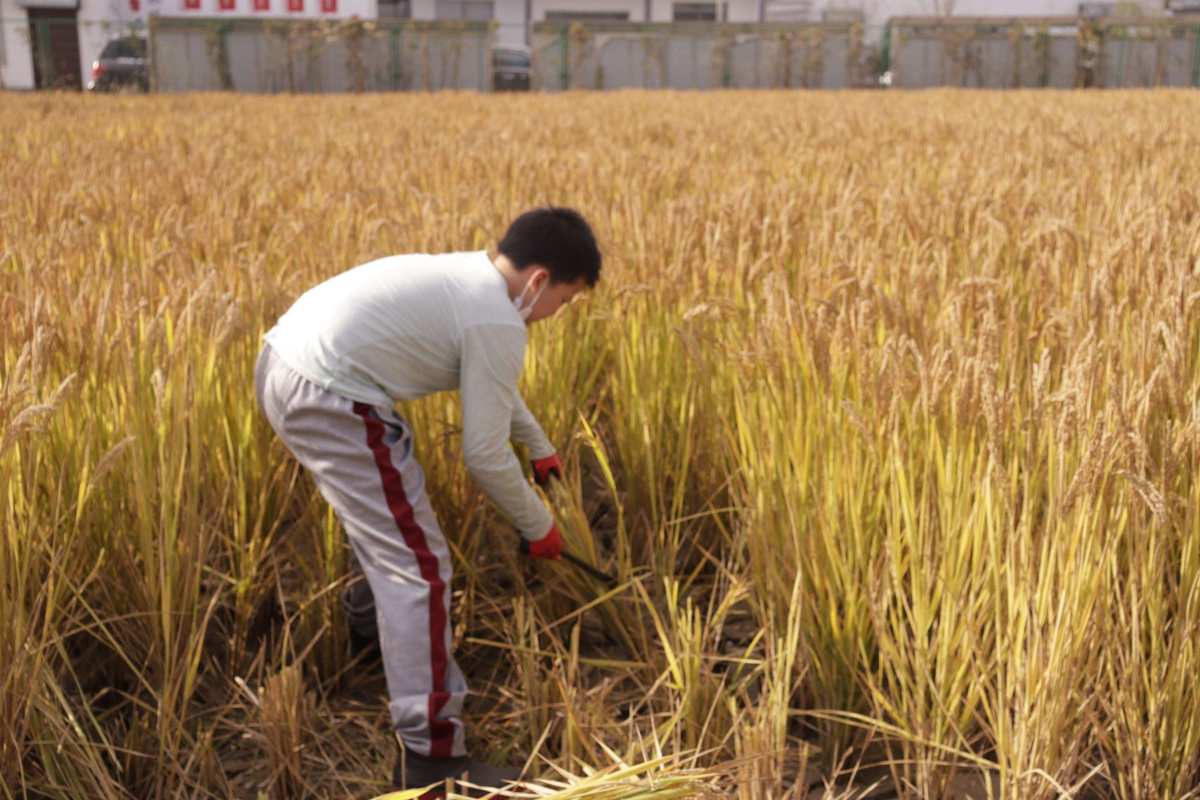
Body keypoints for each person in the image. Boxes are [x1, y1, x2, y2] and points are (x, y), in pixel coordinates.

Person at [254, 207, 602, 796]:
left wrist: (539, 447)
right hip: (332, 395)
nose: (555, 316)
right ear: (540, 280)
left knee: (392, 534)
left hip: (286, 363)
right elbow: (485, 457)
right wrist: (539, 525)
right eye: (563, 302)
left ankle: (371, 637)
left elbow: (491, 385)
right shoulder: (497, 320)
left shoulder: (470, 280)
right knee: (420, 569)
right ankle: (434, 758)